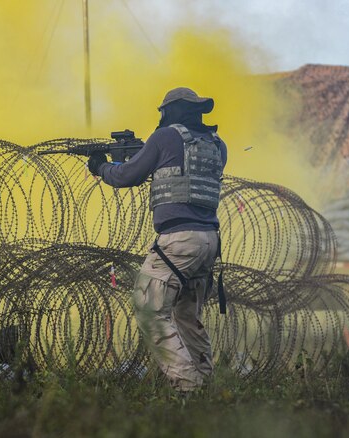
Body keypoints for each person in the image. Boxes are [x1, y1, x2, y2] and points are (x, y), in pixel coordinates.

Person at [88, 87, 227, 392]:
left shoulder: (165, 137)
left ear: (170, 111)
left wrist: (101, 167)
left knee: (149, 309)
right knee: (187, 316)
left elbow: (128, 175)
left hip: (179, 241)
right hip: (208, 242)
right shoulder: (218, 145)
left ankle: (188, 386)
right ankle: (207, 386)